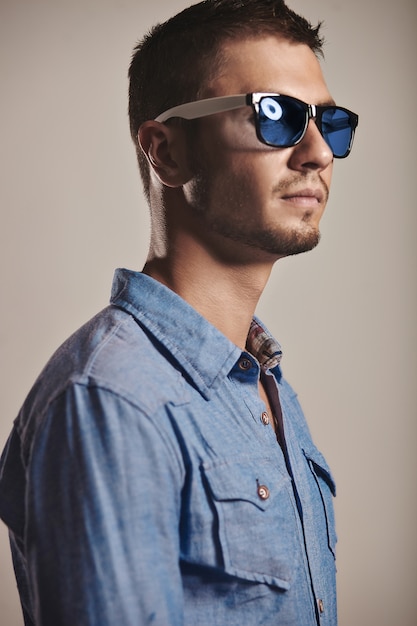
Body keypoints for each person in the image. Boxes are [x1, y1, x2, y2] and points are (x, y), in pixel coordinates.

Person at [0, 1, 358, 624]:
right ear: (166, 152)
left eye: (330, 122)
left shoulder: (261, 384)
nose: (318, 153)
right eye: (274, 116)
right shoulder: (111, 400)